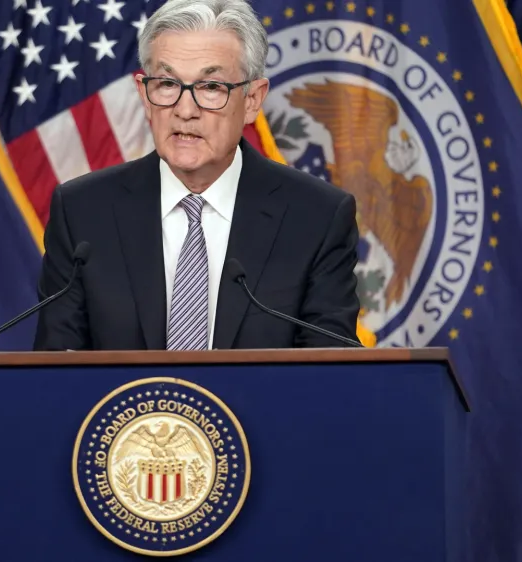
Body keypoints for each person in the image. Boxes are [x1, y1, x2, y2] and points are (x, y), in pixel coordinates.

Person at [32, 0, 361, 351]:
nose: (185, 110)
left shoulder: (316, 217)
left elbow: (330, 377)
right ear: (144, 94)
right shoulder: (83, 212)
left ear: (252, 99)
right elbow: (56, 374)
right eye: (167, 84)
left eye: (210, 87)